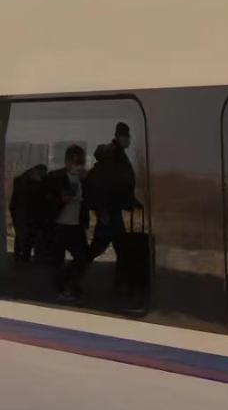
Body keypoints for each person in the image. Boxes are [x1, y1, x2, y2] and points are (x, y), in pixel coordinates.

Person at [85, 122, 145, 309]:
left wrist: (131, 201)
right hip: (108, 213)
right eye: (126, 136)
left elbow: (120, 185)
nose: (128, 139)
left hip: (112, 211)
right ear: (119, 136)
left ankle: (122, 285)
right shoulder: (112, 155)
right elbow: (106, 186)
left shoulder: (116, 154)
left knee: (118, 249)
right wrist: (101, 210)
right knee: (101, 249)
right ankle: (71, 275)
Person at [44, 145, 89, 302]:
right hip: (59, 224)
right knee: (57, 259)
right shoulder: (55, 177)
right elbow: (45, 200)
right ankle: (61, 289)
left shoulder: (84, 179)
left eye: (81, 162)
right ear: (67, 162)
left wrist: (87, 180)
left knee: (83, 257)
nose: (78, 166)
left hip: (76, 225)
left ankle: (70, 281)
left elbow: (90, 198)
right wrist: (60, 200)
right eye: (75, 162)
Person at [8, 163, 47, 264]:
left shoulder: (21, 180)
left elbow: (15, 201)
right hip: (27, 215)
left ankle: (19, 257)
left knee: (22, 237)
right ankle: (23, 258)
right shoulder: (28, 182)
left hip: (22, 215)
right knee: (26, 238)